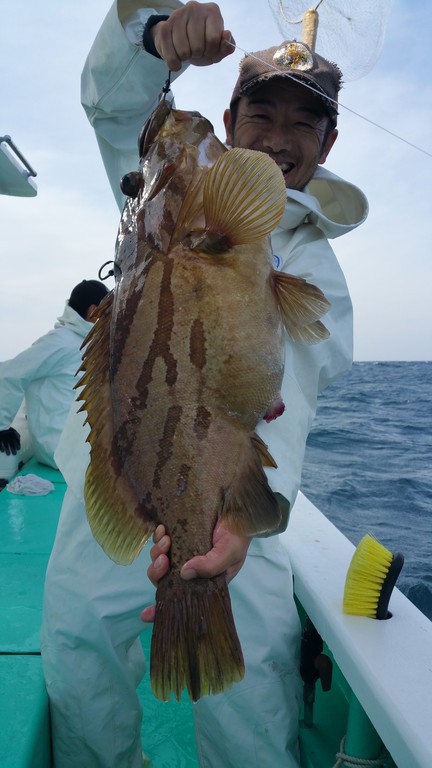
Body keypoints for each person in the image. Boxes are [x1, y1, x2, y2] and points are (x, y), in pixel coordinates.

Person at [40, 3, 369, 767]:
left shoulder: (315, 267)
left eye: (304, 124)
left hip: (233, 508)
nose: (279, 139)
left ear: (329, 141)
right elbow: (113, 106)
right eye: (262, 112)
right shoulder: (165, 188)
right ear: (231, 114)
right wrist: (150, 36)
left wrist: (235, 522)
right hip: (121, 466)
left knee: (251, 701)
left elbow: (285, 397)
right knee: (78, 649)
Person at [0, 279, 108, 482]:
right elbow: (10, 374)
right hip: (60, 449)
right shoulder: (59, 342)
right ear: (93, 311)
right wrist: (2, 427)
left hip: (79, 443)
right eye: (108, 312)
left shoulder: (86, 344)